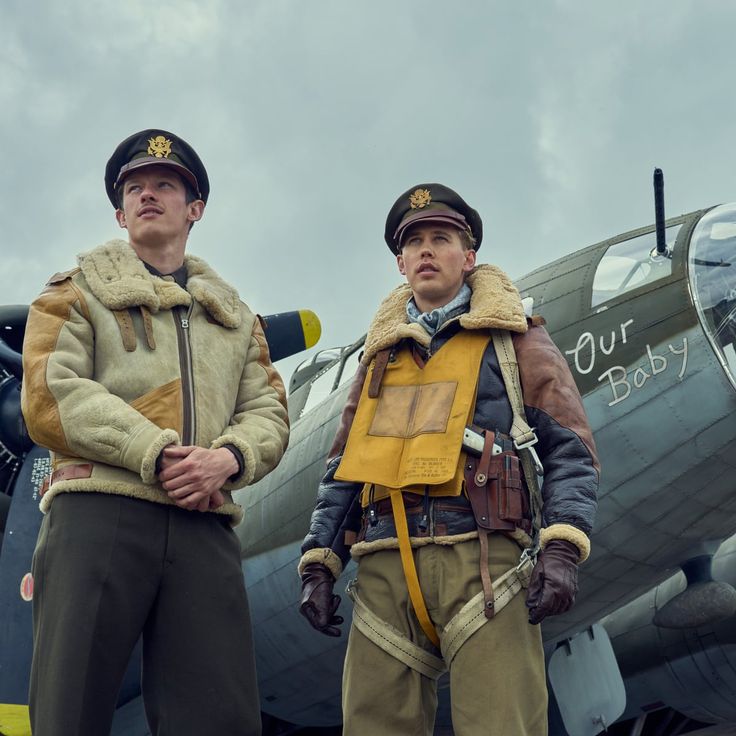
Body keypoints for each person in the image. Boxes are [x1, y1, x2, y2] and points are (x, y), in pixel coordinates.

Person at [297, 183, 598, 735]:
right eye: (415, 243)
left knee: (502, 725)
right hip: (386, 567)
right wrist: (320, 561)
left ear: (470, 255)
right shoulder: (376, 361)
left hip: (484, 566)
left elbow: (570, 451)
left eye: (442, 238)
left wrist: (562, 546)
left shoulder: (519, 343)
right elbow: (344, 467)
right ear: (401, 262)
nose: (427, 251)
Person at [21, 129, 289, 736]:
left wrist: (228, 460)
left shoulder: (236, 318)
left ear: (194, 209)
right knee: (70, 710)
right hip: (99, 511)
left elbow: (269, 411)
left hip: (205, 522)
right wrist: (156, 451)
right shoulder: (74, 291)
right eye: (134, 187)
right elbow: (49, 393)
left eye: (165, 185)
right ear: (119, 212)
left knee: (221, 718)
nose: (148, 194)